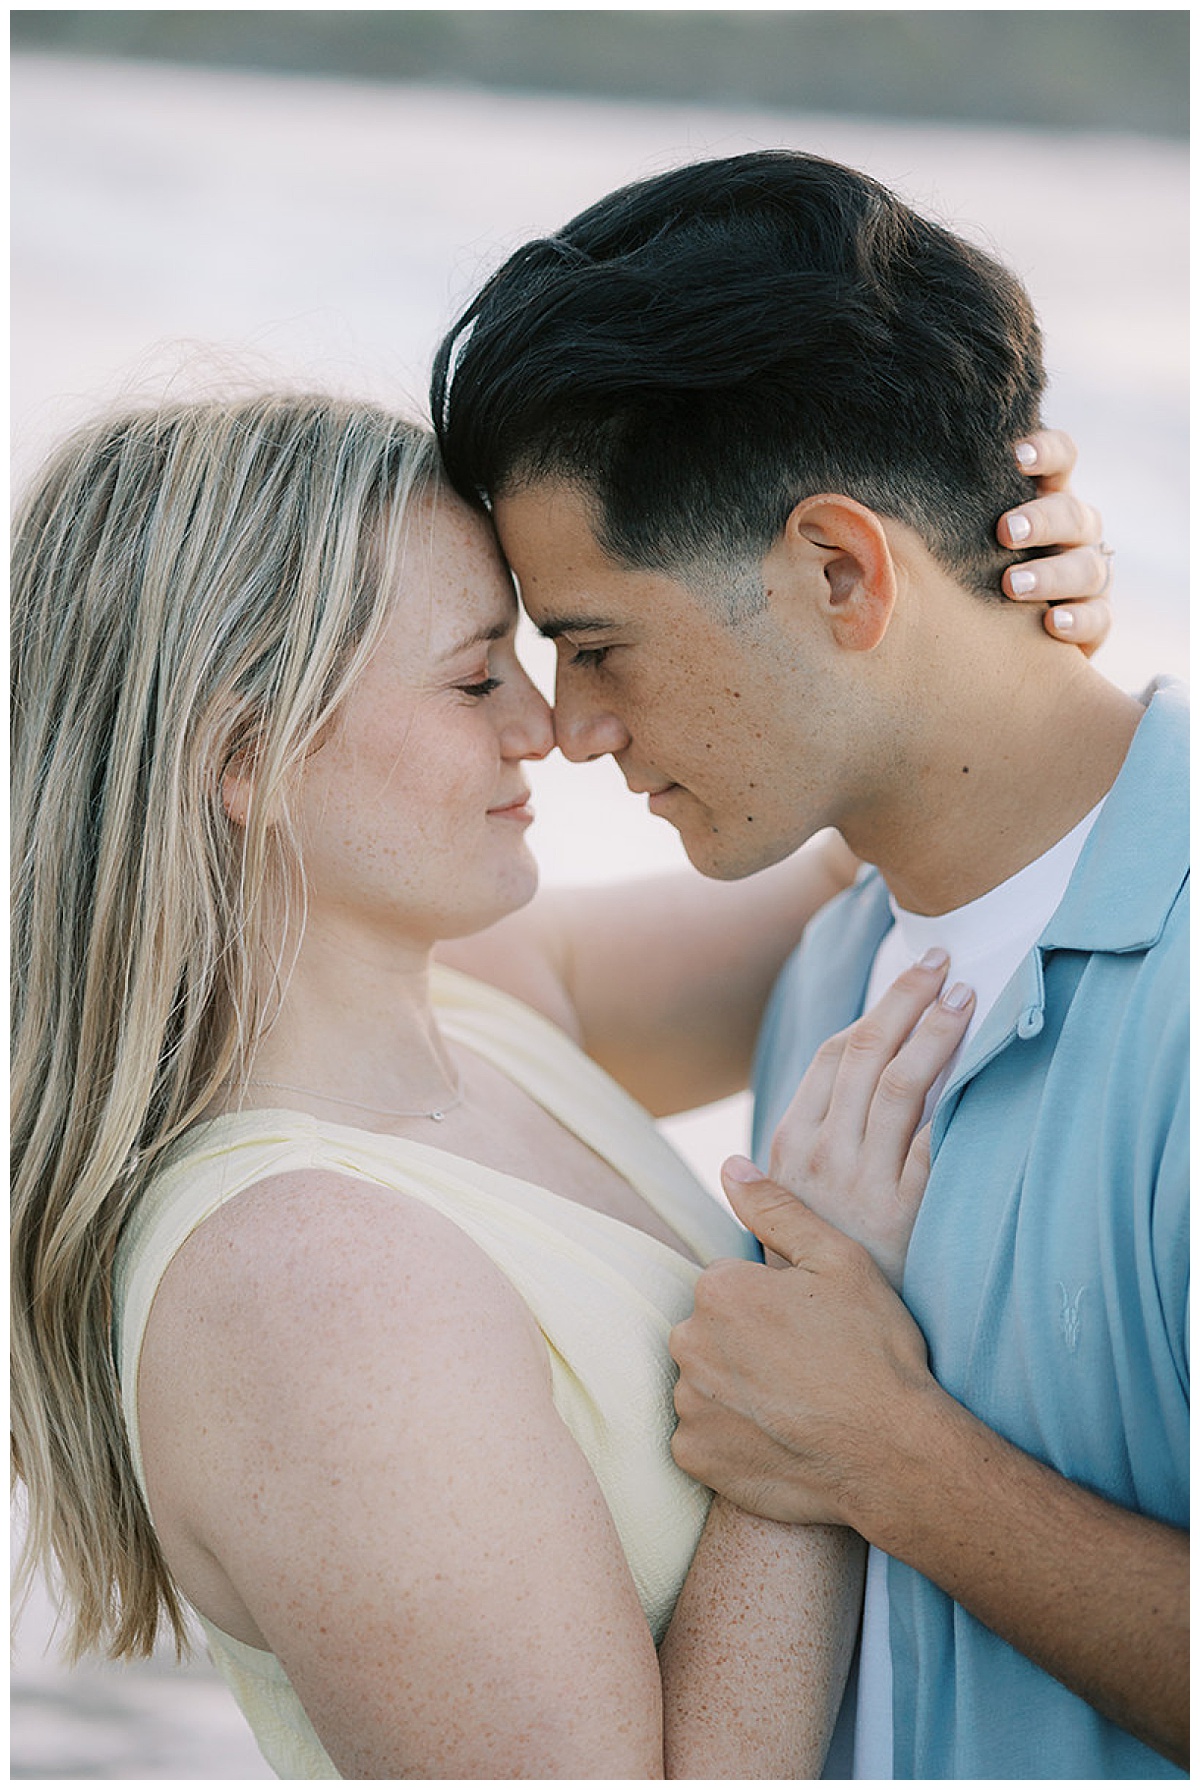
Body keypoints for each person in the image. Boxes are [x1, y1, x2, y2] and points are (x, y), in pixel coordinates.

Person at [10, 379, 1107, 1775]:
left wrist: (986, 625)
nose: (552, 727)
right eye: (476, 678)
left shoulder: (492, 994)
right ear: (245, 755)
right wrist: (815, 1342)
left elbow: (878, 830)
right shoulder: (304, 1287)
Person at [431, 149, 1188, 1779]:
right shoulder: (832, 954)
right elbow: (453, 1008)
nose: (569, 729)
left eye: (595, 642)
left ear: (840, 572)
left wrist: (888, 1459)